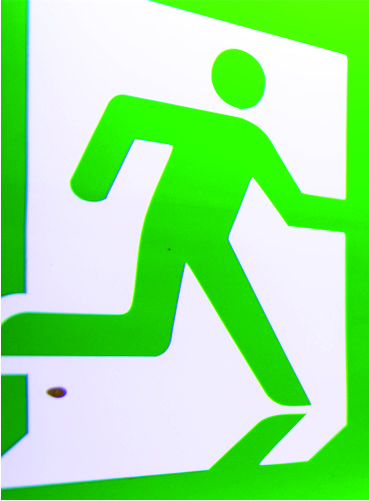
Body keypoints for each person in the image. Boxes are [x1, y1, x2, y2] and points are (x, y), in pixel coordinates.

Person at [2, 49, 338, 407]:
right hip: (172, 232)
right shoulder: (225, 130)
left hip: (205, 238)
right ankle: (21, 334)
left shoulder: (249, 137)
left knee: (150, 332)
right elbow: (126, 114)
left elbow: (292, 207)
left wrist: (349, 216)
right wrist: (92, 182)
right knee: (155, 330)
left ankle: (23, 332)